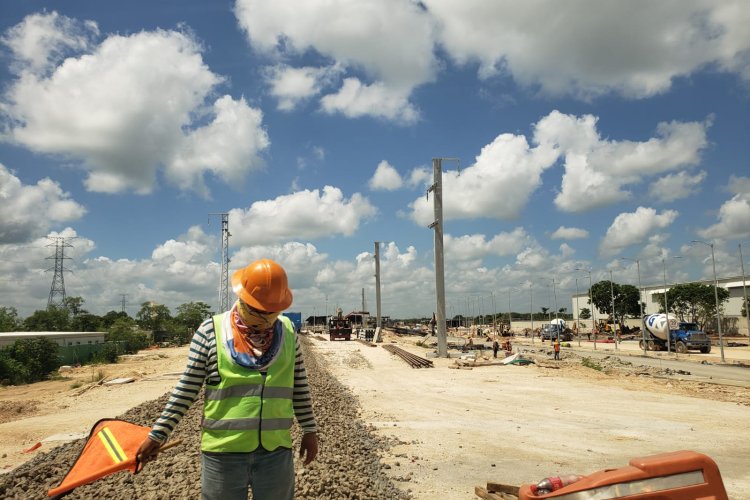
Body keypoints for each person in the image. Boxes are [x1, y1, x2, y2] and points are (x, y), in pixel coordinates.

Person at [137, 259, 318, 500]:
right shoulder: (210, 331)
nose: (266, 317)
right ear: (244, 300)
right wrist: (158, 433)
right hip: (223, 453)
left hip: (275, 450)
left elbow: (299, 385)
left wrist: (310, 429)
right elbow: (187, 388)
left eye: (271, 311)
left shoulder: (287, 332)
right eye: (260, 310)